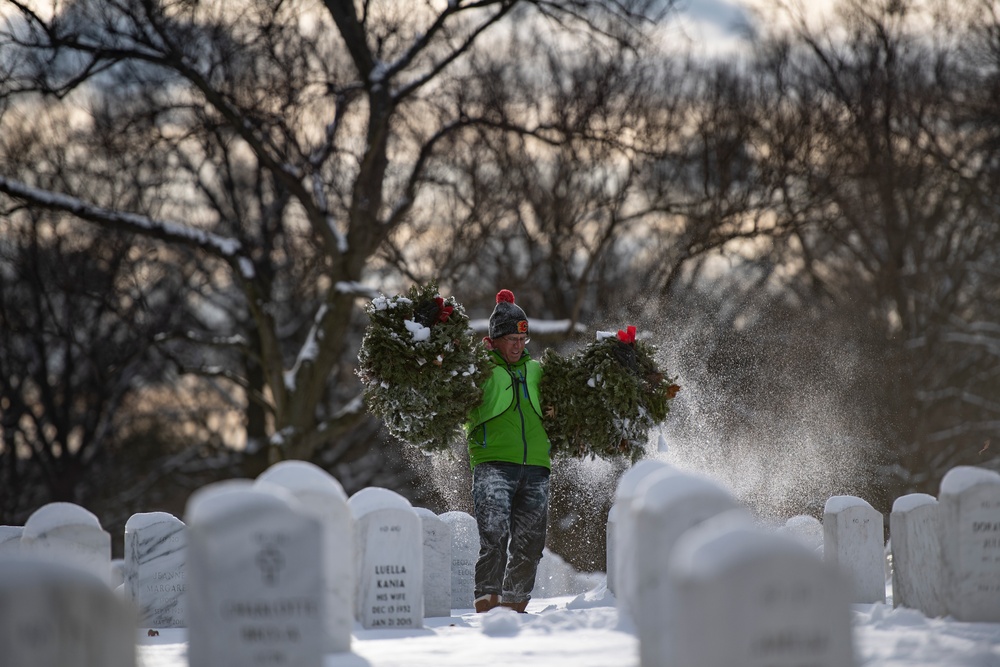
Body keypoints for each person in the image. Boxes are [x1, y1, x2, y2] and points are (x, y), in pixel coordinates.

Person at [464, 289, 551, 614]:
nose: (517, 345)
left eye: (521, 339)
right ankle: (487, 602)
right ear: (494, 339)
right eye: (510, 338)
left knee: (530, 543)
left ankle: (515, 605)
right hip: (493, 464)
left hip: (537, 467)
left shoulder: (539, 372)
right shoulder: (478, 372)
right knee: (495, 536)